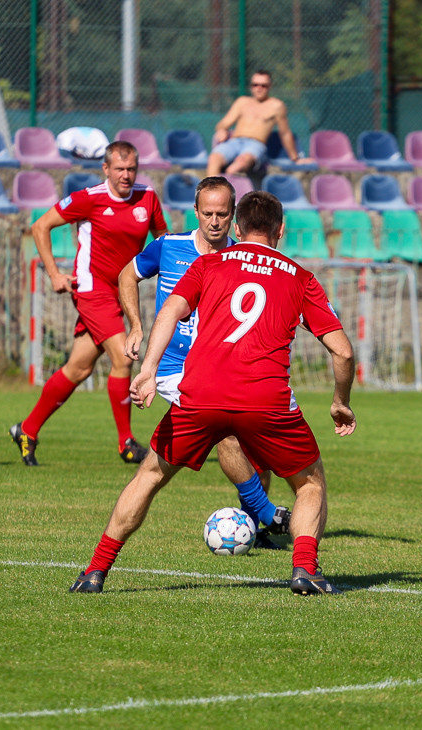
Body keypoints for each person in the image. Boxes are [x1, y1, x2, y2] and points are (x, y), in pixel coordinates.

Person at [71, 191, 356, 596]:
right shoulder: (299, 277)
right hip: (264, 399)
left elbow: (170, 311)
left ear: (237, 228)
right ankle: (305, 569)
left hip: (199, 394)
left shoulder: (208, 263)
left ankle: (95, 572)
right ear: (280, 231)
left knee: (150, 475)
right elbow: (342, 350)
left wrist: (148, 371)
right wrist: (340, 401)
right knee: (309, 483)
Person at [119, 176, 290, 549]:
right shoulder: (169, 247)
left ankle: (258, 528)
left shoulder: (244, 260)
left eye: (223, 215)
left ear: (235, 218)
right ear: (195, 211)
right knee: (224, 428)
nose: (214, 222)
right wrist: (135, 324)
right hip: (175, 367)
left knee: (256, 441)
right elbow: (126, 275)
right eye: (208, 213)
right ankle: (265, 513)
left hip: (226, 366)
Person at [10, 140, 168, 466]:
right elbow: (40, 227)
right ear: (106, 169)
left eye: (131, 169)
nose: (126, 175)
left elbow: (164, 243)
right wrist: (54, 273)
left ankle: (27, 430)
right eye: (119, 169)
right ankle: (126, 442)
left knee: (79, 367)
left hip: (123, 292)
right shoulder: (89, 199)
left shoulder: (147, 198)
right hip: (93, 289)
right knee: (124, 359)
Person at [205, 69, 313, 176]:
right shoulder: (242, 102)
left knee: (240, 163)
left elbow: (285, 133)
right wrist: (221, 130)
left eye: (263, 85)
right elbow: (223, 123)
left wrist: (296, 159)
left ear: (270, 86)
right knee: (214, 158)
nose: (259, 88)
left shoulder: (276, 106)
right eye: (255, 85)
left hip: (255, 145)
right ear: (251, 86)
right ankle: (207, 191)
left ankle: (226, 185)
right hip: (234, 141)